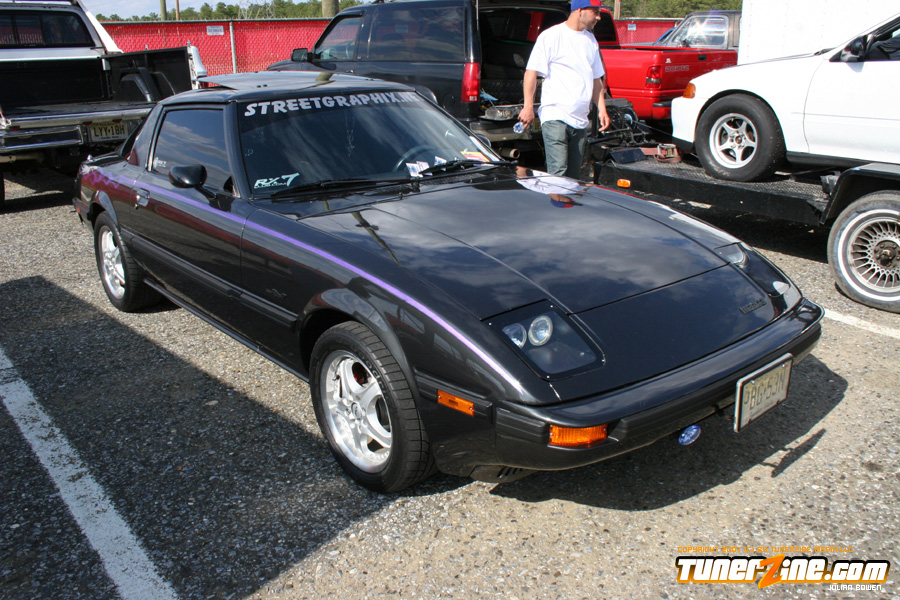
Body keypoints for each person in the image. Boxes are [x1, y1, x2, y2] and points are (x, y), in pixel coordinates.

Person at [518, 0, 610, 179]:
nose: (599, 17)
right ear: (580, 10)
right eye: (595, 12)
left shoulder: (590, 40)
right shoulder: (551, 36)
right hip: (555, 115)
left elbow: (596, 78)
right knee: (558, 174)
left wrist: (602, 109)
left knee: (574, 176)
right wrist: (528, 106)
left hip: (580, 120)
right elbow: (531, 72)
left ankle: (564, 198)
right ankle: (554, 197)